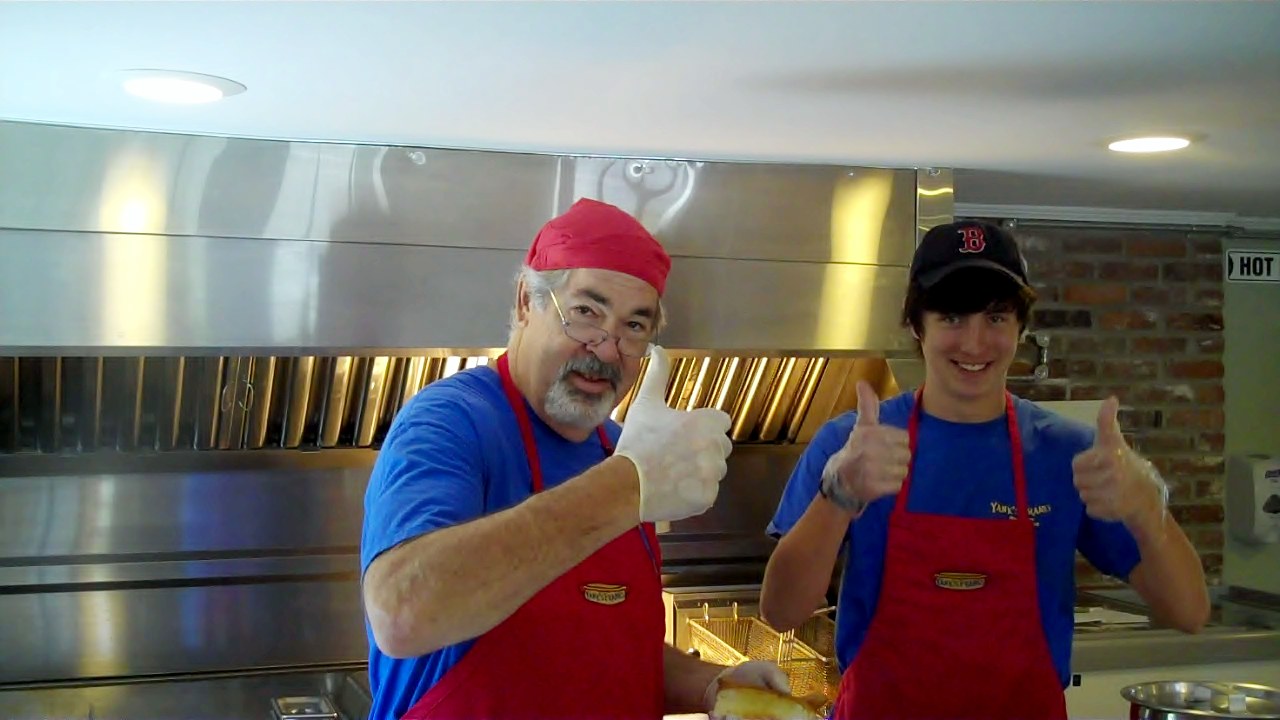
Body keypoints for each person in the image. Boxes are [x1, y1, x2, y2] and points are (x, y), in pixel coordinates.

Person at [360, 198, 791, 720]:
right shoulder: (452, 421)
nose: (608, 350)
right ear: (526, 302)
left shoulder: (621, 448)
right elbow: (402, 614)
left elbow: (602, 643)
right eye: (587, 313)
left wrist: (712, 686)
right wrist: (627, 486)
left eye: (635, 326)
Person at [760, 220, 1210, 719]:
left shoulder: (1070, 454)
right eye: (952, 317)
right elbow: (781, 612)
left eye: (996, 318)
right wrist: (839, 495)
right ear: (917, 325)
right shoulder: (852, 446)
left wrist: (1147, 509)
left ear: (1021, 327)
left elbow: (1189, 612)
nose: (974, 344)